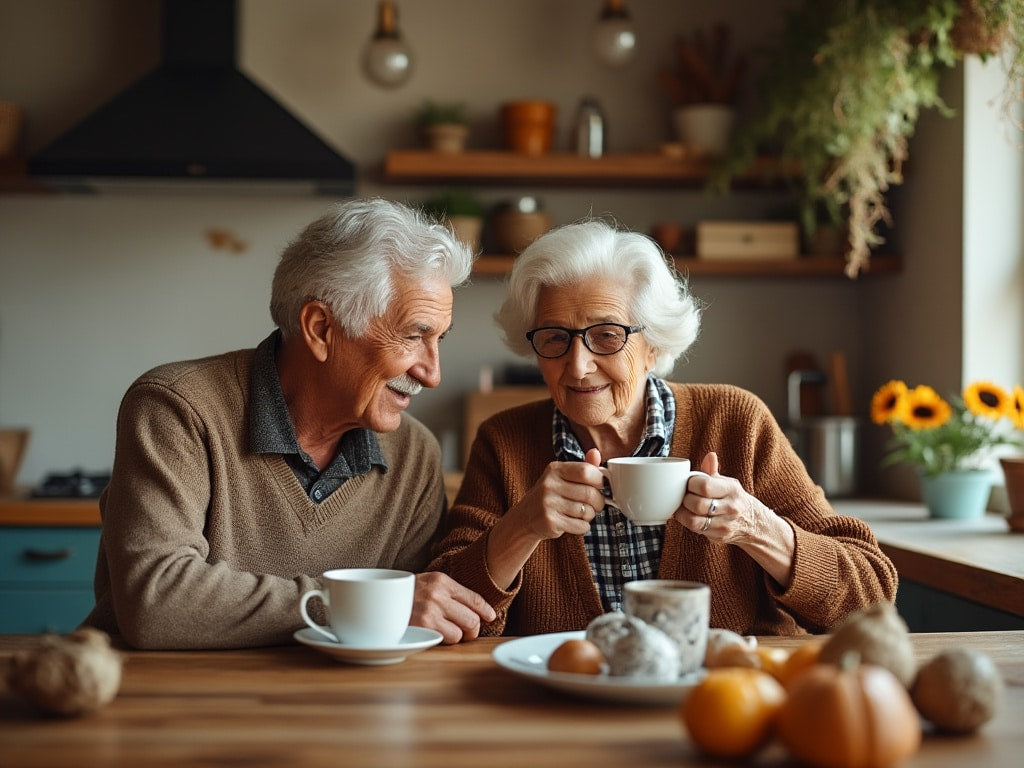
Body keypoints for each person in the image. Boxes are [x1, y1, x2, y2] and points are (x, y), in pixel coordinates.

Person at [429, 219, 897, 636]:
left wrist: (756, 526)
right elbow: (446, 610)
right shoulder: (505, 442)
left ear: (652, 344)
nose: (578, 365)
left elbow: (871, 598)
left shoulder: (737, 421)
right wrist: (522, 527)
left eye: (607, 336)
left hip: (728, 707)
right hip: (570, 713)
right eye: (554, 339)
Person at [84, 198, 495, 649]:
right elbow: (155, 602)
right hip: (164, 705)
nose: (432, 374)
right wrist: (359, 604)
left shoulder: (414, 453)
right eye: (413, 336)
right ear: (320, 328)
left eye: (439, 339)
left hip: (337, 705)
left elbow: (416, 622)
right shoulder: (177, 408)